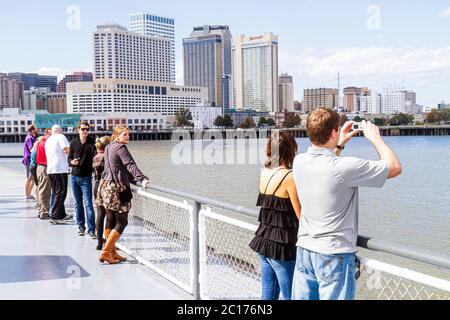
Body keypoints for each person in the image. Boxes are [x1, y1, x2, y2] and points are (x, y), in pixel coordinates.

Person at [291, 108, 402, 300]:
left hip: (305, 250)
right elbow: (394, 167)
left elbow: (325, 167)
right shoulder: (344, 167)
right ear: (333, 132)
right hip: (334, 255)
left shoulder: (299, 161)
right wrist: (375, 137)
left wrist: (339, 144)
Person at [249, 131, 301, 300]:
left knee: (268, 294)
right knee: (290, 295)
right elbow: (300, 214)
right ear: (290, 150)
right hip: (282, 248)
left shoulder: (264, 172)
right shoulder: (290, 177)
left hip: (263, 241)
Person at [97, 126, 150, 264]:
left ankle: (112, 253)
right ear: (117, 135)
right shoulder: (121, 148)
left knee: (110, 220)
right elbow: (130, 165)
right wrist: (142, 178)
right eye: (124, 134)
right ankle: (106, 252)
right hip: (117, 188)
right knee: (122, 221)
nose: (127, 137)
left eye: (128, 134)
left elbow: (116, 166)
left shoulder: (109, 147)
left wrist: (131, 179)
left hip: (106, 186)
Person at [68, 121, 97, 238]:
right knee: (77, 204)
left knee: (88, 204)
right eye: (83, 129)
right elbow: (69, 157)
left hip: (86, 177)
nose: (85, 131)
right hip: (74, 176)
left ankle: (92, 229)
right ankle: (81, 226)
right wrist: (71, 162)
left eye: (87, 129)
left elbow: (96, 158)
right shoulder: (73, 143)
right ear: (78, 130)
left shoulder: (92, 142)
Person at [45, 125, 73, 224]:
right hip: (59, 169)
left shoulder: (48, 140)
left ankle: (62, 214)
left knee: (57, 192)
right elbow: (66, 149)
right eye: (62, 129)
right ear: (58, 130)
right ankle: (55, 216)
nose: (62, 131)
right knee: (61, 192)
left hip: (51, 170)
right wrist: (76, 153)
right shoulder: (61, 137)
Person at [93, 136, 112, 250]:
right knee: (110, 215)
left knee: (100, 215)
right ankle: (108, 241)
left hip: (97, 185)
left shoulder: (95, 157)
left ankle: (99, 242)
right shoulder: (107, 157)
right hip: (106, 186)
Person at [36, 129, 52, 220]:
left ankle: (41, 210)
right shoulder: (45, 143)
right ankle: (44, 212)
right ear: (46, 134)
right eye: (50, 134)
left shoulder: (41, 142)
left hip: (41, 167)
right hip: (44, 167)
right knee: (45, 191)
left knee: (42, 190)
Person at [23, 124, 38, 200]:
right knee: (28, 178)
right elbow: (31, 149)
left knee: (32, 177)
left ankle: (29, 194)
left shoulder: (32, 137)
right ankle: (27, 195)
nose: (37, 129)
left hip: (31, 160)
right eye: (36, 128)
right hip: (28, 160)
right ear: (32, 130)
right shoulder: (30, 138)